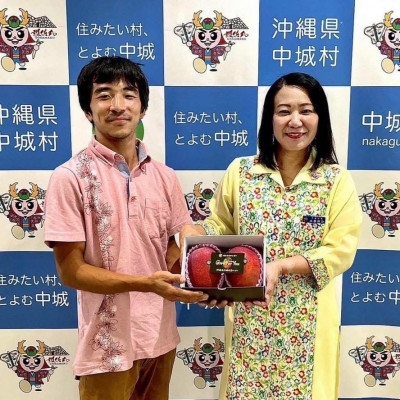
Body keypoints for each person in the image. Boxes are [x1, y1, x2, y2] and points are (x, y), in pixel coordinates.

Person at [180, 72, 363, 399]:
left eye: (306, 110)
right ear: (270, 119)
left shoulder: (335, 180)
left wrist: (281, 266)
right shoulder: (242, 171)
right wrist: (197, 233)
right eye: (284, 111)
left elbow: (340, 249)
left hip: (308, 323)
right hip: (249, 319)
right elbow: (220, 224)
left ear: (320, 117)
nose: (295, 121)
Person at [43, 56, 208, 400]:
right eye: (104, 95)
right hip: (107, 345)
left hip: (160, 335)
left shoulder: (164, 176)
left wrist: (196, 259)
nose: (118, 105)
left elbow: (175, 241)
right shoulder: (69, 177)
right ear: (88, 110)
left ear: (142, 108)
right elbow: (71, 272)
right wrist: (145, 283)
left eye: (129, 95)